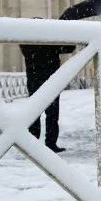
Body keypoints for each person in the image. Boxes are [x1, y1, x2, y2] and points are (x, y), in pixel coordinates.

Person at [20, 24, 75, 153]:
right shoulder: (48, 42)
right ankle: (49, 143)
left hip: (38, 81)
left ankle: (35, 143)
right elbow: (69, 48)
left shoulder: (27, 43)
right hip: (50, 81)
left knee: (38, 114)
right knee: (49, 114)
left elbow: (68, 48)